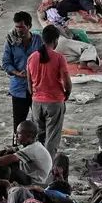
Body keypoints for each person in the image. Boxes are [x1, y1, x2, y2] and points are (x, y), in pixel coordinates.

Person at [25, 24, 71, 156]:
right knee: (52, 138)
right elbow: (67, 83)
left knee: (39, 136)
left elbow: (29, 85)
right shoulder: (59, 58)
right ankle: (48, 166)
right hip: (54, 102)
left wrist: (35, 96)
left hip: (36, 102)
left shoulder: (32, 57)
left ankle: (37, 162)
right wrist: (66, 95)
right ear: (56, 40)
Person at [1, 12, 43, 126]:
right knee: (18, 123)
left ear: (29, 26)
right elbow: (6, 63)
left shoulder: (38, 40)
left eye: (21, 27)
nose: (19, 30)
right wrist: (17, 72)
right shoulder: (11, 42)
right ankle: (17, 144)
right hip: (18, 88)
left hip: (36, 88)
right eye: (17, 26)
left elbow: (45, 60)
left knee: (39, 121)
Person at [0, 119, 55, 185]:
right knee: (6, 153)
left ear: (28, 136)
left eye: (19, 134)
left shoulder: (32, 149)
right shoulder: (33, 145)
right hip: (33, 177)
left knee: (5, 169)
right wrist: (9, 150)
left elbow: (1, 161)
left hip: (36, 182)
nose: (16, 136)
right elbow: (11, 150)